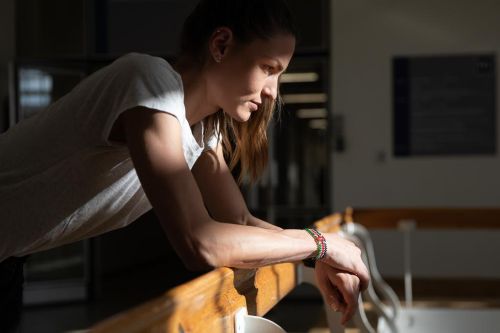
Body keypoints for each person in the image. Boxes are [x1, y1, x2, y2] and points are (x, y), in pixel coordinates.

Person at [0, 0, 369, 331]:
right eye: (268, 67)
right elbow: (200, 242)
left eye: (280, 74)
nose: (273, 89)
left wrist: (314, 257)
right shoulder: (147, 82)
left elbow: (238, 222)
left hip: (10, 257)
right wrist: (319, 245)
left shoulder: (202, 130)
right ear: (221, 45)